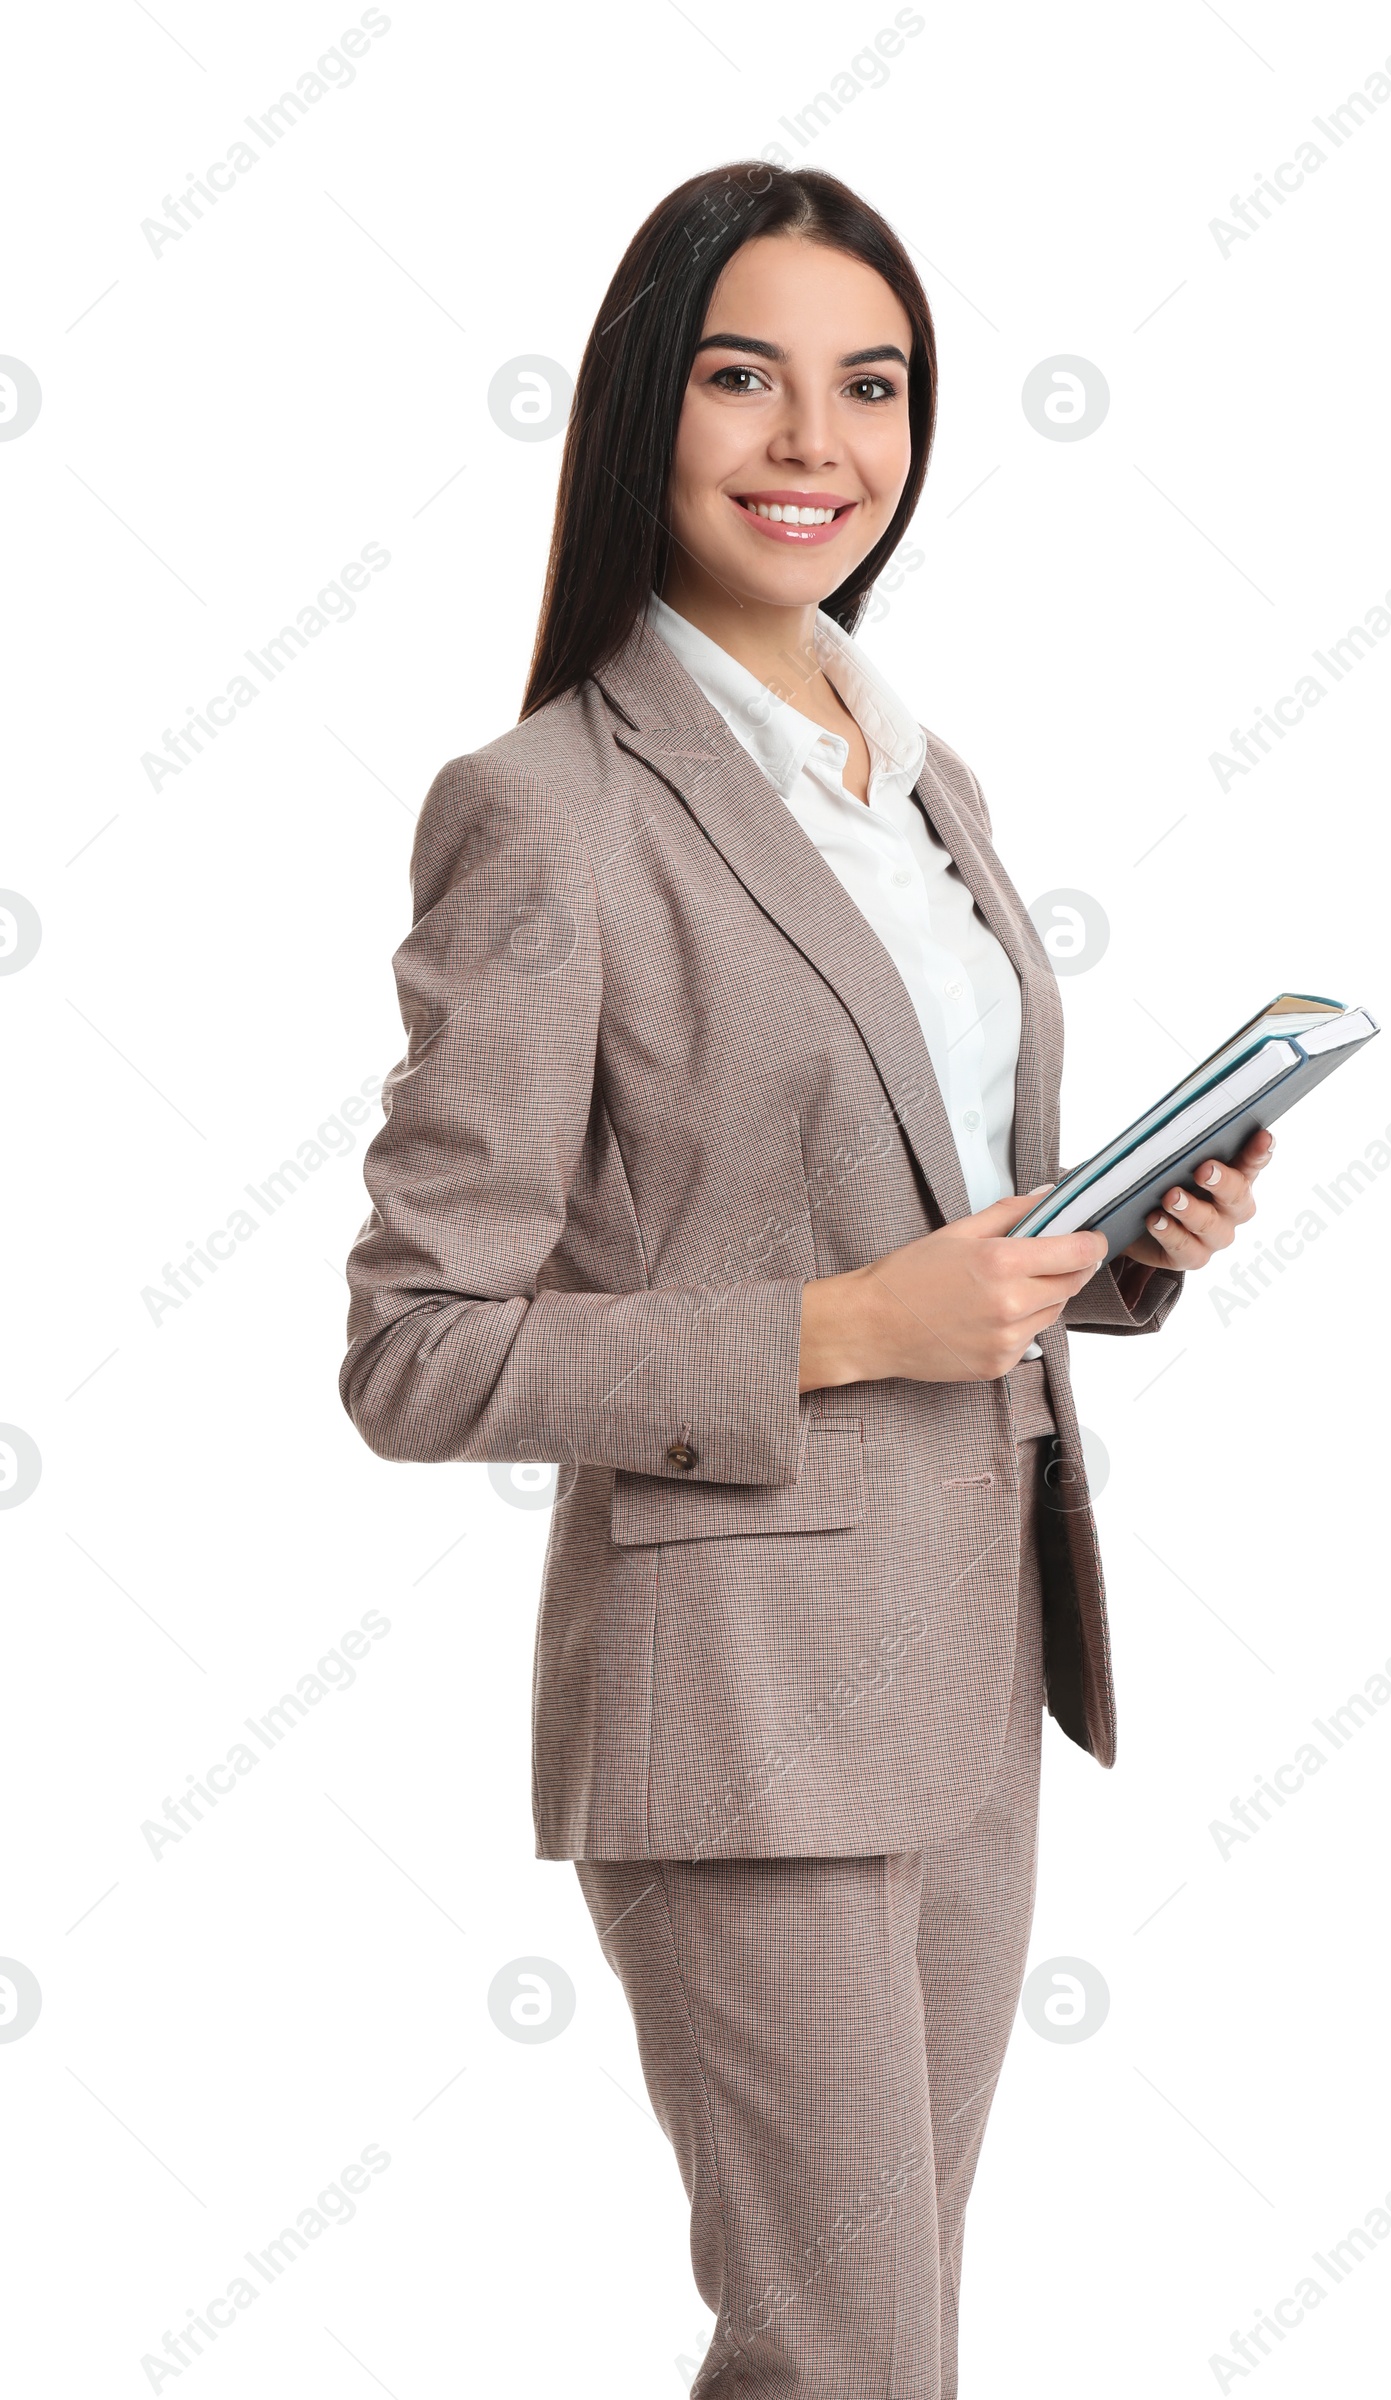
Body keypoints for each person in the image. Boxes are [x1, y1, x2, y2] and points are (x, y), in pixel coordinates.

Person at [339, 160, 1273, 2399]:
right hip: (735, 1709)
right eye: (743, 377)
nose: (810, 445)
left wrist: (1120, 1245)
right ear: (646, 402)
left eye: (870, 388)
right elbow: (412, 1348)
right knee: (852, 2360)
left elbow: (917, 1189)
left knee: (858, 2352)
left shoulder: (912, 771)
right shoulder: (544, 810)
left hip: (969, 1670)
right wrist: (839, 1333)